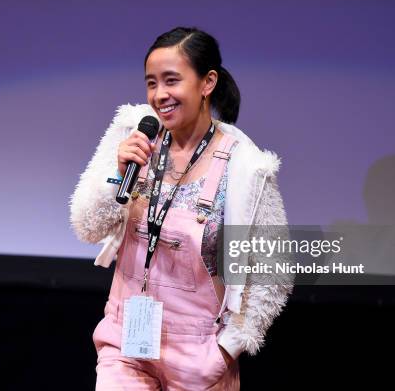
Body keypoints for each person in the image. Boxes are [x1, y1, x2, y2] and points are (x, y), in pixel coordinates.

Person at [70, 26, 293, 390]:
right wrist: (118, 173)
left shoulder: (246, 166)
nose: (160, 95)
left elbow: (273, 271)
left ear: (207, 83)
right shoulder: (134, 135)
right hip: (126, 339)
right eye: (151, 83)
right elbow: (87, 226)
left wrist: (225, 349)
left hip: (200, 354)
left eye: (171, 81)